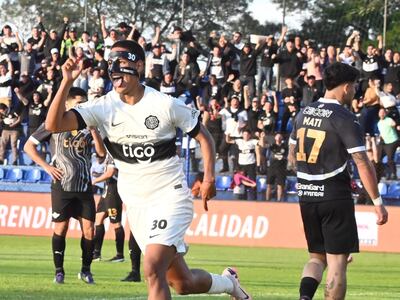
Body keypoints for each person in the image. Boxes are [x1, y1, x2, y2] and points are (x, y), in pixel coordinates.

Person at [45, 40, 251, 300]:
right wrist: (65, 82)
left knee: (152, 267)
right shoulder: (103, 106)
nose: (115, 71)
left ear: (139, 66)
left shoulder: (165, 104)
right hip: (136, 202)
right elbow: (53, 125)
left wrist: (209, 178)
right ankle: (230, 284)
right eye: (112, 65)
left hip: (169, 196)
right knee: (181, 283)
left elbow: (205, 138)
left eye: (122, 63)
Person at [288, 62, 388, 300]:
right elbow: (362, 162)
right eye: (353, 87)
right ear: (345, 88)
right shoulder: (344, 117)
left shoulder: (304, 112)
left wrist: (310, 173)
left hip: (307, 194)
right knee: (337, 264)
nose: (354, 91)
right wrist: (377, 201)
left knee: (316, 257)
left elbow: (292, 159)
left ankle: (304, 298)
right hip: (334, 195)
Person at [24, 87, 106, 284]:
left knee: (90, 230)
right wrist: (46, 167)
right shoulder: (54, 124)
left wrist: (94, 131)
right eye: (78, 102)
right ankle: (59, 271)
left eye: (84, 102)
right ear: (68, 104)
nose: (82, 106)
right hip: (62, 185)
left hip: (84, 185)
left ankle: (85, 271)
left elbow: (102, 155)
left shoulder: (90, 125)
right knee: (61, 228)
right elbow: (28, 146)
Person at [92, 155, 126, 262]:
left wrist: (95, 180)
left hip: (114, 190)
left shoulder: (114, 153)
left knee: (116, 222)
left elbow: (110, 173)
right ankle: (96, 253)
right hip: (106, 190)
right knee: (98, 219)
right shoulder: (108, 154)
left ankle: (120, 255)